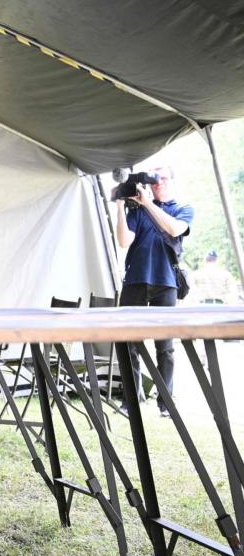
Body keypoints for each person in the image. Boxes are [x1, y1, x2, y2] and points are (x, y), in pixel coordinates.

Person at [114, 166, 193, 419]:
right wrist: (119, 206)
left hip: (166, 281)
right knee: (128, 343)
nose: (158, 184)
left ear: (172, 183)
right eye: (155, 180)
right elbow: (124, 241)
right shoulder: (138, 210)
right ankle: (130, 400)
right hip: (135, 279)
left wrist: (148, 203)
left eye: (163, 179)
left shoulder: (182, 209)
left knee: (165, 347)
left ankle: (165, 402)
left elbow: (174, 229)